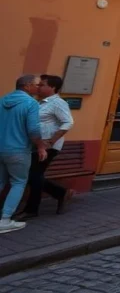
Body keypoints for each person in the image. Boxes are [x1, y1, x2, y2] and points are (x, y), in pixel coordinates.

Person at [21, 75, 74, 218]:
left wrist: (50, 142)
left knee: (34, 175)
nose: (38, 87)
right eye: (38, 85)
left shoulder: (58, 103)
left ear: (53, 88)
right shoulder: (40, 103)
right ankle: (61, 193)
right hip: (35, 145)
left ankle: (32, 210)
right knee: (32, 175)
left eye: (42, 85)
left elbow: (68, 122)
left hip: (48, 147)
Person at [1, 75, 48, 233]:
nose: (39, 87)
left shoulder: (3, 100)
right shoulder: (30, 103)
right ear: (27, 86)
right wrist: (41, 146)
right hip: (18, 150)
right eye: (37, 84)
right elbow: (33, 130)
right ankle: (5, 219)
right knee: (18, 182)